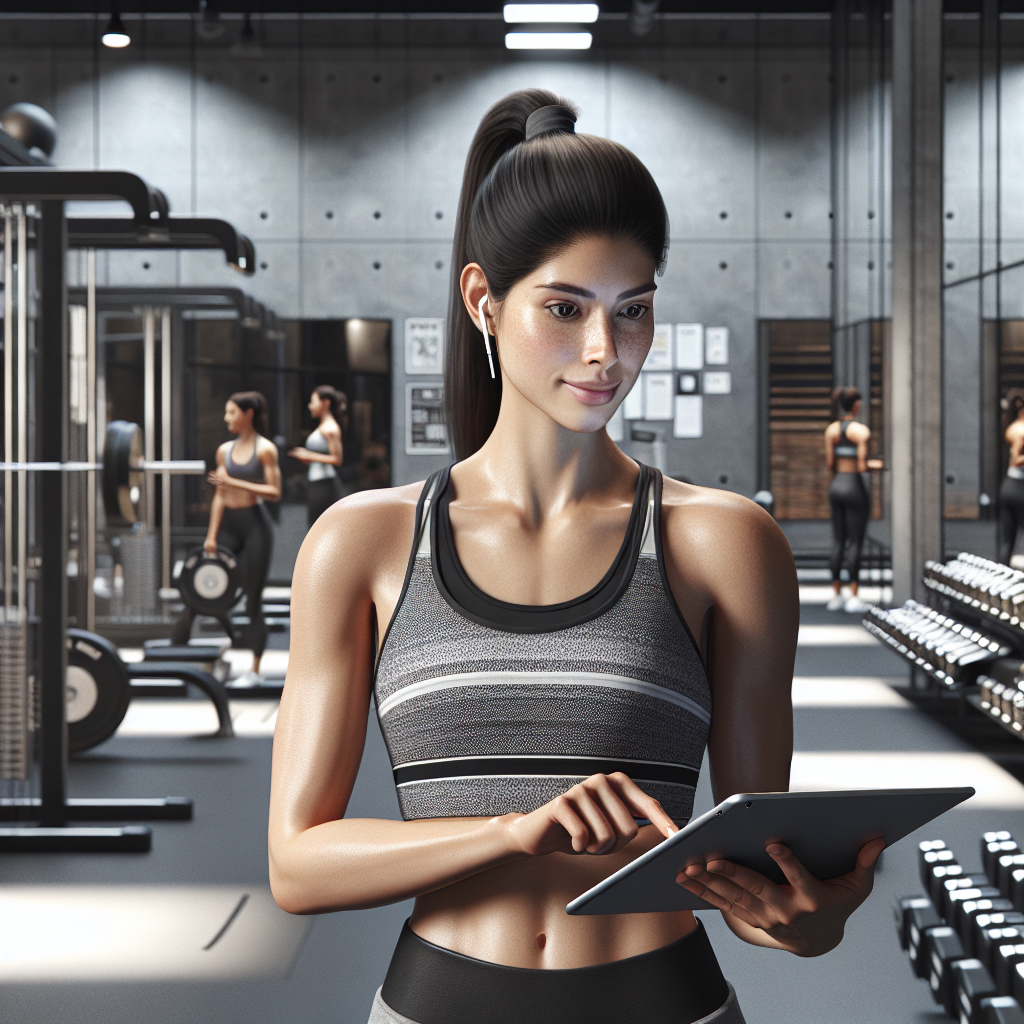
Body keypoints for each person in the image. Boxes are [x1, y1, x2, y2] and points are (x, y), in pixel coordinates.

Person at [269, 90, 884, 1024]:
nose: (606, 352)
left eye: (631, 310)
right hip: (437, 1001)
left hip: (666, 1000)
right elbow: (296, 864)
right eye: (565, 307)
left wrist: (807, 920)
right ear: (484, 300)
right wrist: (510, 835)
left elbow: (754, 879)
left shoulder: (721, 542)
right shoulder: (363, 542)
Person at [172, 391, 281, 677]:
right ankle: (175, 661)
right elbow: (220, 495)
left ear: (248, 415)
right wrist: (211, 535)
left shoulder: (265, 449)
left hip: (254, 525)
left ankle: (255, 669)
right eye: (226, 412)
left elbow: (274, 492)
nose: (227, 418)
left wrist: (235, 481)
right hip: (228, 525)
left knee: (253, 598)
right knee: (200, 589)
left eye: (232, 412)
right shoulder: (224, 450)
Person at [824, 387, 882, 614]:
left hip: (836, 485)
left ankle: (836, 593)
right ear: (856, 406)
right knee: (855, 542)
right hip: (854, 487)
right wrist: (877, 465)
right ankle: (854, 595)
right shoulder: (861, 431)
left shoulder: (832, 430)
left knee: (838, 541)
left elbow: (830, 464)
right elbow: (862, 465)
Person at [288, 385, 345, 529]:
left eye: (313, 402)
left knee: (319, 528)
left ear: (325, 403)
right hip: (317, 483)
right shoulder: (324, 426)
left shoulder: (330, 428)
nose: (310, 406)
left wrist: (309, 456)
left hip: (324, 484)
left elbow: (337, 459)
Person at [1000, 391, 1024, 566]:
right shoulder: (1020, 430)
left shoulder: (1012, 426)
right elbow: (1016, 458)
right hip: (1019, 486)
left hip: (1009, 484)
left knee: (1007, 541)